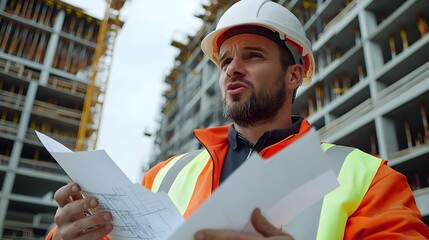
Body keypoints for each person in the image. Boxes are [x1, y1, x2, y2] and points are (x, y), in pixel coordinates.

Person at [46, 0, 429, 239]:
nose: (233, 69)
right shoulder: (164, 176)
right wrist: (64, 236)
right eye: (226, 60)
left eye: (253, 56)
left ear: (294, 75)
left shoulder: (366, 179)